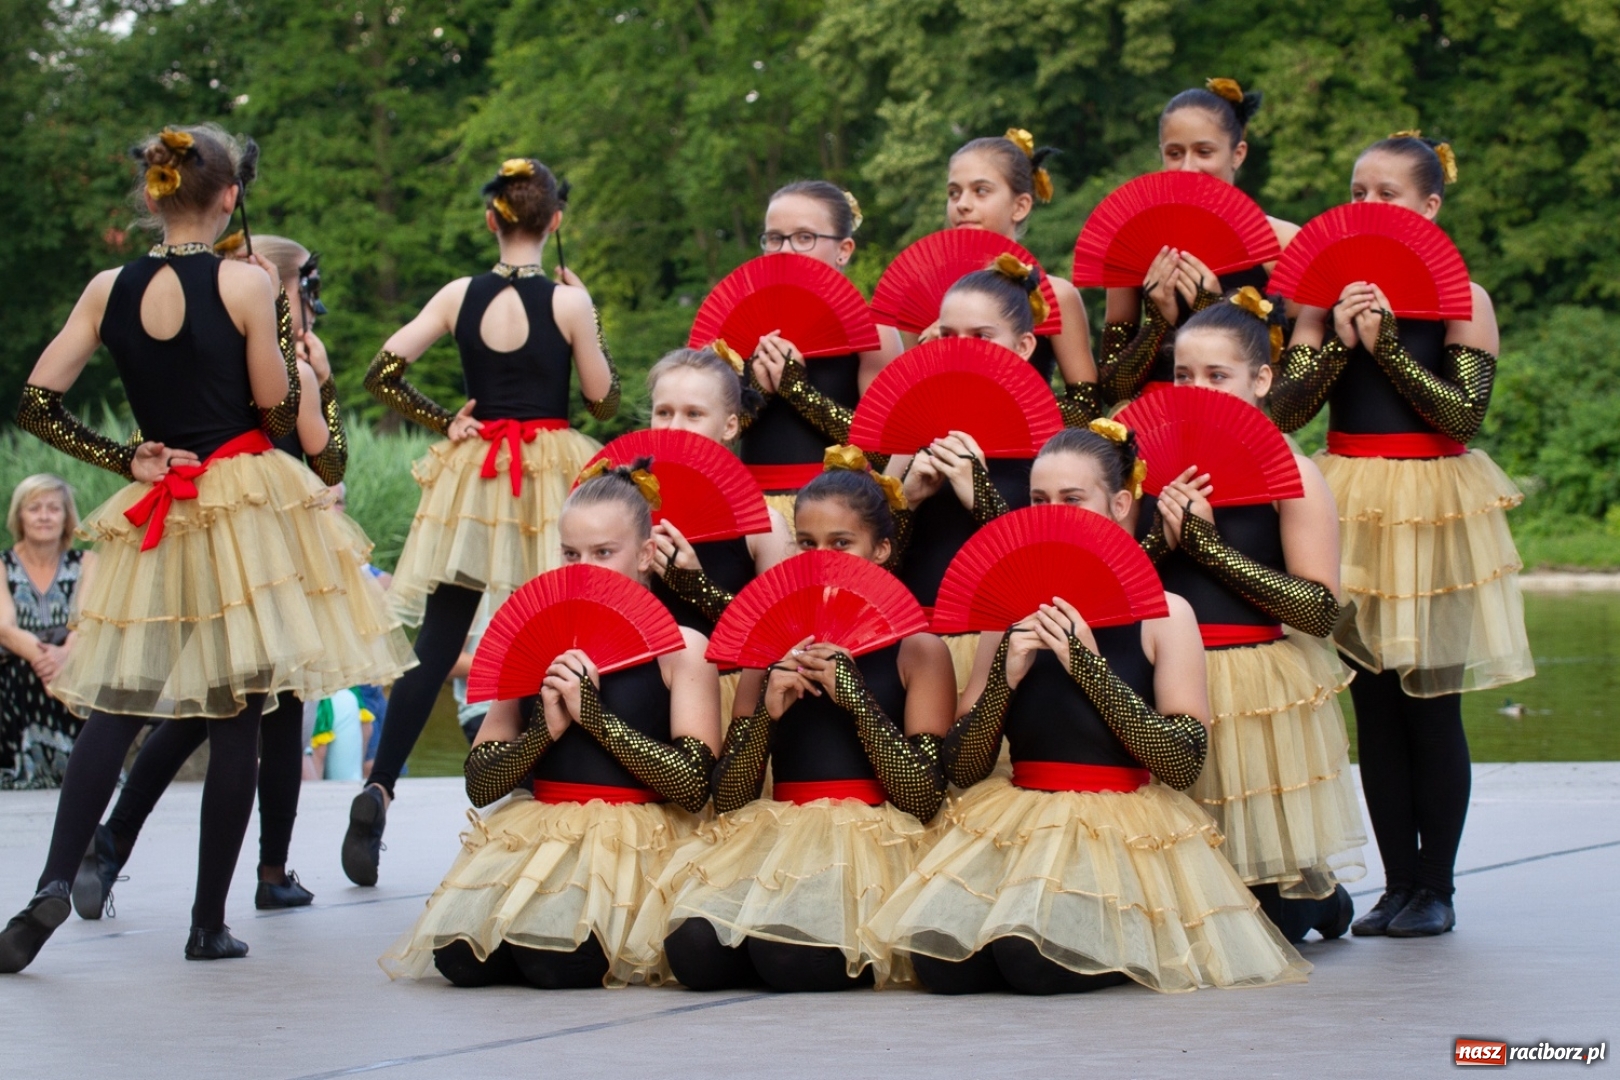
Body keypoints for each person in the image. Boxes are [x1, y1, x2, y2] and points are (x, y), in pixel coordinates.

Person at [0, 123, 412, 972]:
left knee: (116, 706)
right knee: (237, 716)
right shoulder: (246, 285)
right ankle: (207, 923)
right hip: (243, 498)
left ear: (154, 196)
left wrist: (128, 455)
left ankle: (50, 880)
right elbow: (272, 417)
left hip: (159, 496)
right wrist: (305, 370)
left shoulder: (106, 286)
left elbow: (37, 404)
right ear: (229, 197)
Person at [863, 425, 1311, 994]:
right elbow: (963, 766)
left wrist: (1088, 667)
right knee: (942, 966)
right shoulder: (1007, 613)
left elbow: (1181, 761)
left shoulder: (1165, 613)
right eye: (1038, 501)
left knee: (1031, 963)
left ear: (1119, 504)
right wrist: (1004, 675)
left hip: (1117, 823)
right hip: (1020, 812)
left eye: (1073, 500)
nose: (1054, 515)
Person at [1268, 134, 1532, 937]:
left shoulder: (1466, 298)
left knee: (1431, 704)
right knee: (1373, 708)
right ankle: (1395, 887)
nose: (1368, 205)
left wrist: (1389, 346)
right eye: (1357, 189)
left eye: (1387, 192)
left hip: (1432, 503)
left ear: (1428, 207)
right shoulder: (1320, 296)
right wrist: (1337, 349)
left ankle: (1438, 887)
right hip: (1349, 497)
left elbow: (1462, 414)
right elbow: (1280, 413)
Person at [69, 235, 352, 920]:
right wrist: (326, 383)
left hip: (204, 523)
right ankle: (258, 870)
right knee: (260, 708)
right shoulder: (284, 354)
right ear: (286, 284)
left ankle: (117, 841)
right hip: (270, 540)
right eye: (304, 284)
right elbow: (329, 457)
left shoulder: (218, 332)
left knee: (225, 706)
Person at [350, 157, 616, 887]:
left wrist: (446, 420)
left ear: (491, 220)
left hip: (479, 473)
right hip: (551, 472)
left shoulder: (457, 294)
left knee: (436, 642)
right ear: (554, 222)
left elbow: (382, 372)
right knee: (556, 628)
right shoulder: (566, 304)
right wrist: (587, 312)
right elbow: (599, 400)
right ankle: (541, 794)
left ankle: (379, 786)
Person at [617, 453, 956, 992]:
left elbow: (922, 796)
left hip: (874, 841)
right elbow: (729, 797)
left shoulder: (918, 651)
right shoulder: (769, 644)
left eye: (841, 544)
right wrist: (766, 715)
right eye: (806, 543)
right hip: (777, 830)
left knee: (790, 961)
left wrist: (857, 701)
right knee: (695, 954)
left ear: (883, 550)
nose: (821, 559)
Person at [380, 465, 721, 988]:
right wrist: (545, 732)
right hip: (539, 829)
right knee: (460, 957)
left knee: (556, 960)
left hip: (634, 840)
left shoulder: (682, 648)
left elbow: (695, 785)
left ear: (647, 554)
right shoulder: (531, 635)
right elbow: (480, 781)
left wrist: (597, 720)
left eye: (604, 553)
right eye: (570, 554)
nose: (583, 568)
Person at [1144, 294, 1365, 942]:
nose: (1198, 389)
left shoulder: (1292, 473)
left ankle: (1318, 898)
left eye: (1218, 376)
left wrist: (1210, 549)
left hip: (1257, 676)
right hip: (1169, 677)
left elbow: (1321, 609)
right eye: (1184, 376)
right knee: (1184, 911)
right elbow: (1120, 580)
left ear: (1261, 379)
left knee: (1271, 921)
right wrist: (1161, 536)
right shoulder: (1149, 471)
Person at [890, 259, 1048, 688]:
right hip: (916, 648)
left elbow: (1044, 571)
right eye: (948, 335)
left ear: (1023, 347)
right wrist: (908, 500)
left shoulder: (1051, 441)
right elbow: (876, 565)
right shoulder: (912, 432)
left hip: (1009, 650)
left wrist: (979, 493)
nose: (960, 348)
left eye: (981, 337)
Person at [1099, 78, 1299, 405]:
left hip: (1238, 421)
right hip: (1152, 423)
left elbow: (1292, 394)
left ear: (1237, 154)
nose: (1189, 168)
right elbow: (1111, 388)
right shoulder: (1132, 241)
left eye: (1204, 152)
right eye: (1175, 153)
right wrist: (1158, 323)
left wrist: (1215, 310)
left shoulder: (1281, 243)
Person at [643, 346, 793, 720]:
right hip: (645, 701)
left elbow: (781, 640)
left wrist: (698, 587)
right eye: (663, 413)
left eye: (693, 414)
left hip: (731, 703)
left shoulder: (764, 524)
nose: (675, 428)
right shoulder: (627, 516)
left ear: (730, 425)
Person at [739, 181, 902, 518]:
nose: (785, 251)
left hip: (838, 511)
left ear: (843, 249)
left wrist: (798, 391)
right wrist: (756, 390)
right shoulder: (739, 326)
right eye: (774, 238)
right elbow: (712, 433)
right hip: (753, 512)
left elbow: (886, 450)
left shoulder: (873, 331)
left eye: (804, 238)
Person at [940, 128, 1099, 424]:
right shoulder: (929, 295)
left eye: (980, 191)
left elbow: (1087, 411)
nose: (962, 203)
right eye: (954, 192)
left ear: (1020, 205)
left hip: (1028, 456)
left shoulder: (1055, 296)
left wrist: (1015, 392)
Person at [0, 475, 92, 789]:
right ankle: (24, 768)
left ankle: (78, 769)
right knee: (19, 673)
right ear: (19, 516)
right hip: (17, 663)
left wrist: (64, 656)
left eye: (54, 508)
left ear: (67, 517)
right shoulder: (2, 565)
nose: (43, 516)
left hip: (74, 657)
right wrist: (48, 666)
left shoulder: (88, 562)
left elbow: (89, 621)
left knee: (83, 674)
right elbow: (4, 628)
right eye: (34, 508)